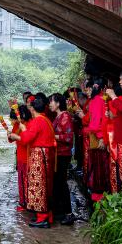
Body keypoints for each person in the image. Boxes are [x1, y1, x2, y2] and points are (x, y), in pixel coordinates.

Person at [9, 93, 56, 228]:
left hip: (39, 155)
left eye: (30, 106)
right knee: (44, 184)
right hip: (44, 154)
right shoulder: (45, 119)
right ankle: (47, 215)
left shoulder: (38, 121)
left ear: (32, 109)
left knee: (38, 185)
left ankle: (42, 218)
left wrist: (20, 132)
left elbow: (26, 139)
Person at [75, 76, 111, 202]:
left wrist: (101, 137)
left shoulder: (96, 100)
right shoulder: (102, 99)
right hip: (103, 137)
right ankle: (102, 192)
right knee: (103, 166)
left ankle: (99, 193)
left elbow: (95, 123)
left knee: (98, 166)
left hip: (98, 137)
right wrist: (103, 137)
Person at [48, 93, 74, 224]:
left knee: (62, 183)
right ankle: (60, 212)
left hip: (63, 154)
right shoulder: (58, 116)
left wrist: (53, 137)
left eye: (51, 102)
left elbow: (68, 137)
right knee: (58, 183)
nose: (50, 104)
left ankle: (69, 214)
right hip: (58, 154)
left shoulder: (65, 116)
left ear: (58, 103)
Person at [7, 105, 32, 212]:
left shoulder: (29, 124)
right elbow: (11, 140)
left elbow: (27, 140)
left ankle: (30, 203)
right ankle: (23, 202)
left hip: (28, 156)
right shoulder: (17, 125)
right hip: (20, 157)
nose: (15, 121)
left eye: (16, 117)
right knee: (21, 181)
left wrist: (16, 137)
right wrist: (9, 135)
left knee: (28, 181)